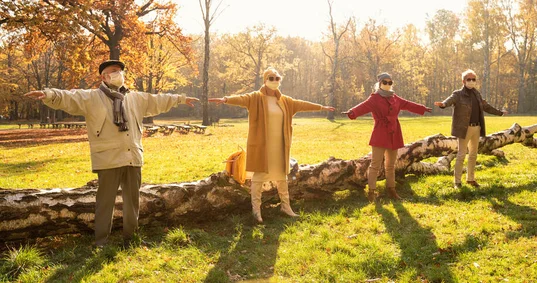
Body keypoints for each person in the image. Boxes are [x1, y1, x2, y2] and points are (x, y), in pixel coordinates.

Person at [24, 60, 199, 247]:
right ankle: (101, 242)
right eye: (114, 71)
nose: (119, 74)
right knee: (105, 203)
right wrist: (48, 94)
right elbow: (68, 97)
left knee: (132, 201)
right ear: (104, 76)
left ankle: (131, 238)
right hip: (107, 157)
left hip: (132, 156)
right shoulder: (91, 98)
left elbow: (158, 100)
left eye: (120, 71)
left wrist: (180, 98)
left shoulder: (134, 98)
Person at [209, 67, 335, 223]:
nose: (275, 81)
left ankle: (286, 207)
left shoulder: (285, 100)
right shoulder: (256, 97)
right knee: (259, 175)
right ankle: (256, 210)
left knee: (282, 175)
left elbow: (302, 104)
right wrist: (226, 99)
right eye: (271, 78)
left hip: (280, 144)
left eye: (277, 78)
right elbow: (242, 98)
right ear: (265, 80)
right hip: (262, 144)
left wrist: (322, 107)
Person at [344, 72, 432, 202]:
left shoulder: (395, 98)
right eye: (385, 82)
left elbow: (408, 104)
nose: (387, 85)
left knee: (391, 165)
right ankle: (371, 192)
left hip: (394, 133)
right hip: (380, 132)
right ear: (379, 83)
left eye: (390, 82)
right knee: (375, 164)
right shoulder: (374, 98)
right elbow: (363, 106)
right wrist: (353, 112)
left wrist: (422, 108)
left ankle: (391, 190)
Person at [434, 69, 508, 189]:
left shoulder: (477, 94)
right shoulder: (458, 94)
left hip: (476, 128)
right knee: (461, 155)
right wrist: (443, 104)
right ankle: (457, 182)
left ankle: (471, 179)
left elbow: (486, 106)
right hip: (464, 129)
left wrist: (500, 113)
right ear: (463, 81)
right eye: (469, 79)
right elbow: (449, 100)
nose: (472, 81)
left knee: (473, 155)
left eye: (474, 79)